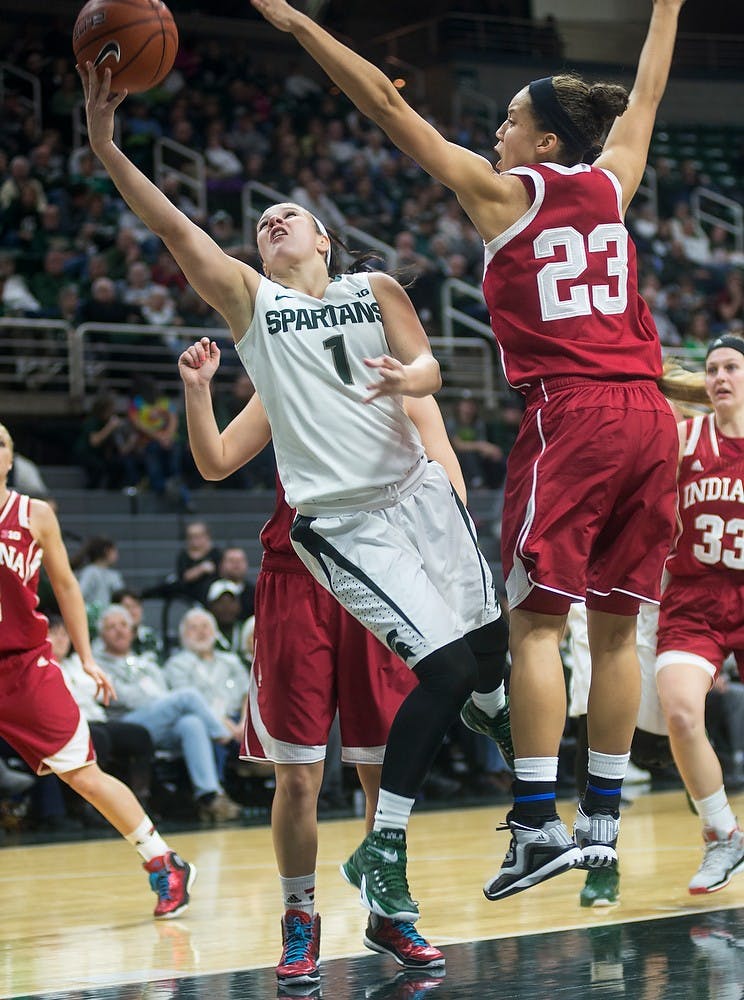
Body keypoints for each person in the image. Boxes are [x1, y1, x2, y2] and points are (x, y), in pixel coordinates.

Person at [250, 0, 685, 899]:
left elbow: (383, 103)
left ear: (547, 145)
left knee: (534, 625)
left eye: (512, 122)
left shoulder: (503, 197)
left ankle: (533, 822)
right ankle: (600, 821)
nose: (496, 134)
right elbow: (645, 93)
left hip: (575, 416)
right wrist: (669, 6)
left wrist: (298, 26)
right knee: (616, 630)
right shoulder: (613, 183)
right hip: (650, 419)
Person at [80, 61, 510, 938]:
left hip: (402, 526)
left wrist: (413, 386)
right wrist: (104, 143)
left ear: (325, 239)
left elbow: (432, 382)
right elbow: (174, 229)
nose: (271, 218)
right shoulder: (261, 319)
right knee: (301, 769)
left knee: (408, 729)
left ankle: (392, 895)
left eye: (291, 214)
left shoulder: (373, 297)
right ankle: (301, 918)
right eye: (260, 218)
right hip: (316, 549)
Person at [180, 380, 465, 986]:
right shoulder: (284, 375)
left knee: (384, 771)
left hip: (380, 578)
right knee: (299, 774)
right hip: (296, 576)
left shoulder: (404, 386)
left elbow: (451, 485)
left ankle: (386, 911)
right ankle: (299, 918)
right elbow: (215, 461)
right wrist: (197, 392)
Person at [0, 422, 195, 918]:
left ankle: (164, 861)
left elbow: (66, 586)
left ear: (11, 458)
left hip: (23, 667)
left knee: (83, 774)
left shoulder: (34, 514)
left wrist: (85, 657)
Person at [655, 334, 744, 895]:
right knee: (683, 714)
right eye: (712, 369)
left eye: (732, 367)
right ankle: (722, 834)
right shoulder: (686, 438)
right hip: (694, 598)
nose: (720, 377)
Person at [94, 603, 242, 824]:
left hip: (157, 724)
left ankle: (209, 796)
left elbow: (161, 694)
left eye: (124, 625)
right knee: (187, 697)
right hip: (124, 724)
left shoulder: (145, 662)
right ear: (101, 634)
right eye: (111, 627)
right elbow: (117, 696)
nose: (119, 630)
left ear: (133, 630)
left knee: (191, 723)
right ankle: (229, 740)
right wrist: (159, 702)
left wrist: (159, 702)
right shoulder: (96, 663)